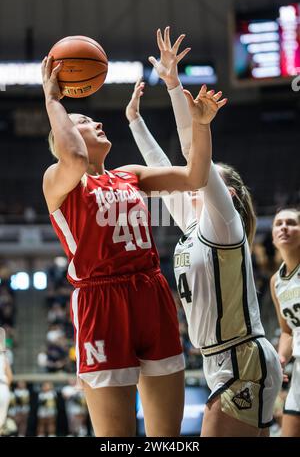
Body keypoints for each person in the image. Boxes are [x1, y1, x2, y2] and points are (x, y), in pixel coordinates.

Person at [41, 30, 212, 437]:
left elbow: (195, 176)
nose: (97, 121)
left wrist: (201, 126)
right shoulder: (59, 181)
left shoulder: (130, 175)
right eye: (84, 121)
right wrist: (53, 100)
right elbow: (76, 157)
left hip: (151, 293)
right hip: (101, 302)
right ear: (62, 138)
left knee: (166, 439)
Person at [127, 26, 282, 436]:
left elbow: (191, 152)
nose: (193, 179)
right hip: (217, 359)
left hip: (242, 360)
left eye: (207, 178)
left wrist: (175, 87)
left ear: (226, 192)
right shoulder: (193, 224)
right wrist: (135, 122)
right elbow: (163, 167)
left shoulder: (224, 223)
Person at [270, 207, 300, 437]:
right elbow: (287, 330)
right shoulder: (276, 281)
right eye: (279, 223)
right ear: (272, 236)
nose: (284, 227)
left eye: (291, 222)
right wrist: (280, 360)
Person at [0, 327, 13, 435]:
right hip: (3, 386)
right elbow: (10, 376)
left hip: (3, 386)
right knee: (1, 420)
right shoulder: (3, 356)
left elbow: (10, 376)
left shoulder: (3, 356)